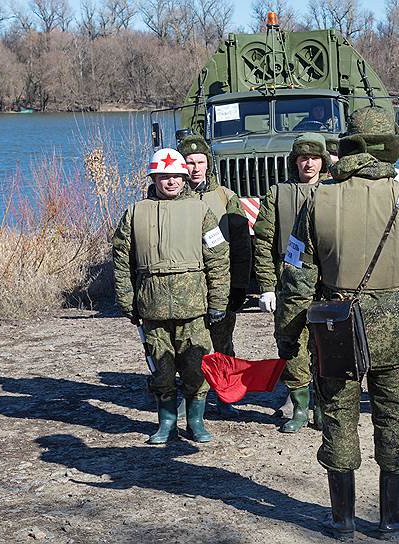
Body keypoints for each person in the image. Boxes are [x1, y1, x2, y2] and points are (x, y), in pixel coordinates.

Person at [276, 106, 399, 538]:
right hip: (395, 330)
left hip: (336, 328)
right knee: (392, 419)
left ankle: (341, 521)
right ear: (390, 148)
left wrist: (289, 339)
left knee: (339, 418)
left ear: (348, 146)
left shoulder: (317, 197)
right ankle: (390, 519)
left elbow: (295, 275)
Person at [112, 148, 230, 444]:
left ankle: (196, 421)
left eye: (176, 176)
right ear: (154, 178)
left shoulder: (202, 211)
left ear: (184, 177)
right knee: (160, 369)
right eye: (164, 177)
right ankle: (166, 422)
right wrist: (127, 301)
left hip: (193, 308)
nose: (171, 182)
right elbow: (121, 261)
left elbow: (218, 258)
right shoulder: (135, 213)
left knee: (196, 365)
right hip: (152, 307)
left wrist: (218, 301)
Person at [252, 134, 331, 433]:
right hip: (287, 279)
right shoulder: (277, 193)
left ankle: (322, 407)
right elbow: (263, 242)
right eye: (302, 157)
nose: (308, 162)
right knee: (291, 343)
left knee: (325, 346)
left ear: (323, 161)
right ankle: (299, 406)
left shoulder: (333, 192)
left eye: (314, 157)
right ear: (294, 161)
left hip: (325, 282)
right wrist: (267, 286)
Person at [177, 136, 252, 415]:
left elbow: (243, 245)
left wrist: (240, 287)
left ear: (208, 164)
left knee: (222, 343)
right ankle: (191, 400)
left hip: (221, 283)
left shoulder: (226, 197)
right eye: (189, 162)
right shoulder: (170, 199)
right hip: (186, 287)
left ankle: (225, 395)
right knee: (188, 345)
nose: (195, 168)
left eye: (200, 162)